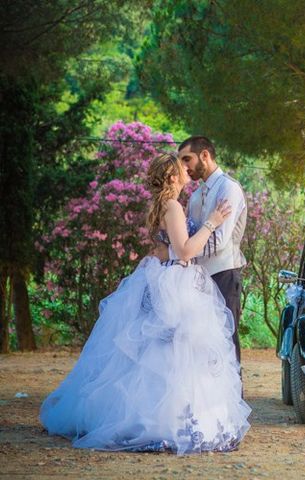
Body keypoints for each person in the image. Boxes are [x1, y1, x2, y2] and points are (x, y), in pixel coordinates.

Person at [40, 153, 251, 455]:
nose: (187, 171)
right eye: (182, 169)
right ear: (173, 177)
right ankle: (165, 421)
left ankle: (159, 414)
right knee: (175, 354)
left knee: (161, 352)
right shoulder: (173, 207)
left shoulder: (160, 206)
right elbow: (185, 251)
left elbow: (162, 250)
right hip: (175, 285)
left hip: (161, 279)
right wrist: (212, 223)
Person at [178, 136, 247, 363]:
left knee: (226, 343)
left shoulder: (229, 188)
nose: (184, 166)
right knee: (201, 345)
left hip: (224, 276)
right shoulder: (196, 195)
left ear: (205, 155)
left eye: (187, 159)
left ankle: (234, 399)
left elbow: (218, 242)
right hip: (197, 280)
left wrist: (184, 252)